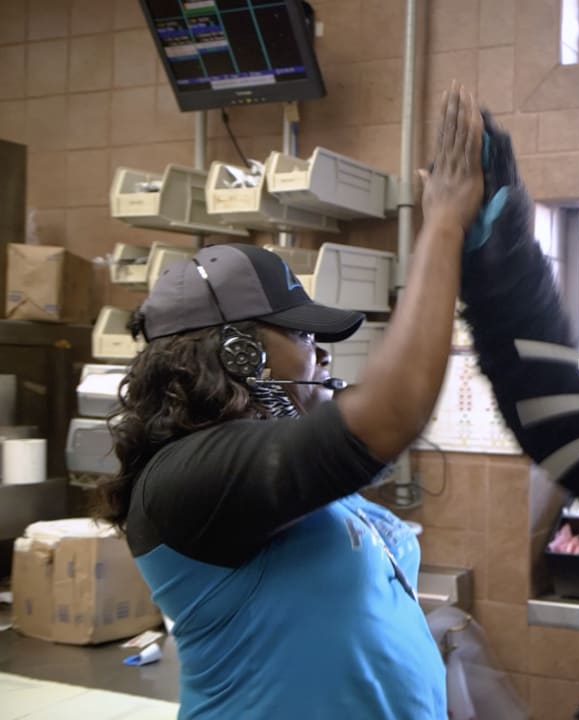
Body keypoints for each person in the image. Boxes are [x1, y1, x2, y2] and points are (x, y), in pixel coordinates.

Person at [93, 83, 485, 720]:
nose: (322, 356)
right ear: (235, 351)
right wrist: (442, 222)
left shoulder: (264, 458)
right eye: (303, 335)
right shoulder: (187, 479)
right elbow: (388, 416)